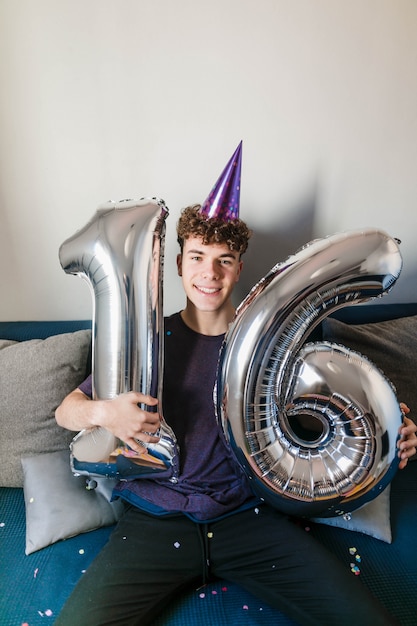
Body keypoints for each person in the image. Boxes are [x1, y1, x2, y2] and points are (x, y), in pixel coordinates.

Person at [55, 146, 416, 626]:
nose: (210, 273)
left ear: (239, 269)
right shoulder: (146, 341)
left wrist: (393, 436)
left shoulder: (277, 346)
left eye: (224, 260)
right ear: (180, 264)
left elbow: (338, 417)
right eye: (199, 257)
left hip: (250, 519)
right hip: (156, 520)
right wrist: (103, 413)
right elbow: (67, 410)